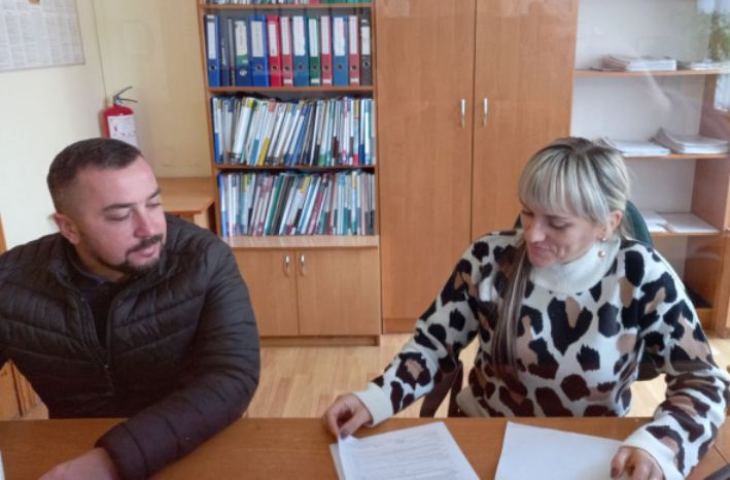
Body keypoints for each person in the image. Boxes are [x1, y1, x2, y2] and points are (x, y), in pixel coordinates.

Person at [324, 137, 729, 480]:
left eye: (557, 223)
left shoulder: (642, 274)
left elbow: (704, 381)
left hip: (590, 452)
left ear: (607, 224)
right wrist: (375, 398)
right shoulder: (488, 258)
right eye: (528, 212)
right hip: (486, 437)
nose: (532, 234)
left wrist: (660, 444)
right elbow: (432, 346)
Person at [0, 138, 260, 479]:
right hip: (72, 449)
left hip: (194, 442)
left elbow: (232, 376)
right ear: (69, 228)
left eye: (154, 204)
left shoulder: (204, 258)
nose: (150, 228)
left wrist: (110, 461)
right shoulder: (11, 282)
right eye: (121, 215)